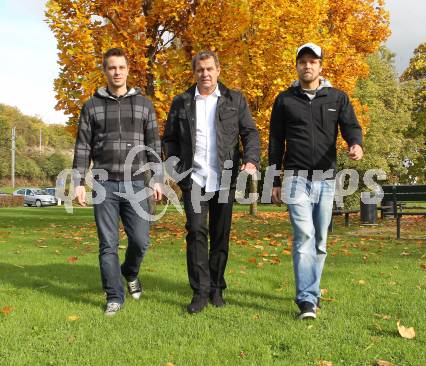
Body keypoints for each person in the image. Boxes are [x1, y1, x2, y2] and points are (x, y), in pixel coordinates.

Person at [269, 43, 363, 320]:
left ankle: (313, 290)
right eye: (302, 62)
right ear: (296, 66)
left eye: (312, 61)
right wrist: (274, 180)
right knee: (304, 236)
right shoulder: (284, 100)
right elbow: (275, 142)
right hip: (295, 177)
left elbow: (351, 126)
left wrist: (355, 144)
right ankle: (307, 301)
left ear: (321, 66)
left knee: (320, 240)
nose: (307, 66)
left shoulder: (337, 98)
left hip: (326, 178)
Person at [163, 51, 260, 314]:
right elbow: (169, 138)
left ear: (218, 70)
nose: (204, 74)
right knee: (195, 231)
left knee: (220, 234)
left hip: (224, 177)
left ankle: (216, 287)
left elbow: (250, 132)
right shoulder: (181, 101)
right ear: (194, 73)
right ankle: (200, 291)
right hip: (193, 178)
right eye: (200, 70)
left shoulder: (234, 100)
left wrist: (251, 159)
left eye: (209, 69)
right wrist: (174, 166)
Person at [73, 48, 163, 316]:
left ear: (127, 70)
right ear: (105, 71)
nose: (117, 72)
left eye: (121, 67)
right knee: (107, 244)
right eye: (112, 68)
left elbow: (153, 145)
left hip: (137, 184)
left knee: (141, 241)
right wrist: (78, 182)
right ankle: (114, 295)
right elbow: (82, 148)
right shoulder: (92, 106)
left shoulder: (144, 105)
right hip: (104, 185)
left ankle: (130, 272)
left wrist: (158, 178)